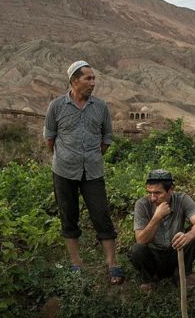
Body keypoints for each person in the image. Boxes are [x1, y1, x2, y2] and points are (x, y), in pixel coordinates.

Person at [43, 60, 123, 284]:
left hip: (93, 171)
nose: (93, 83)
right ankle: (77, 264)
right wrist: (64, 157)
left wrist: (94, 155)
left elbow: (107, 137)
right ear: (74, 81)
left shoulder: (100, 107)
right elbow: (50, 138)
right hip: (63, 171)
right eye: (88, 78)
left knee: (102, 215)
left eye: (94, 78)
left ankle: (111, 264)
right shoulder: (57, 107)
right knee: (69, 216)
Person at [130, 169, 195, 292]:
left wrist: (188, 236)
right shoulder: (142, 204)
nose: (152, 198)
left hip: (175, 252)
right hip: (153, 256)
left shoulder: (182, 199)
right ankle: (150, 279)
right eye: (149, 193)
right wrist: (157, 217)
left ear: (170, 190)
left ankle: (180, 275)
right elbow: (141, 239)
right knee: (137, 249)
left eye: (157, 193)